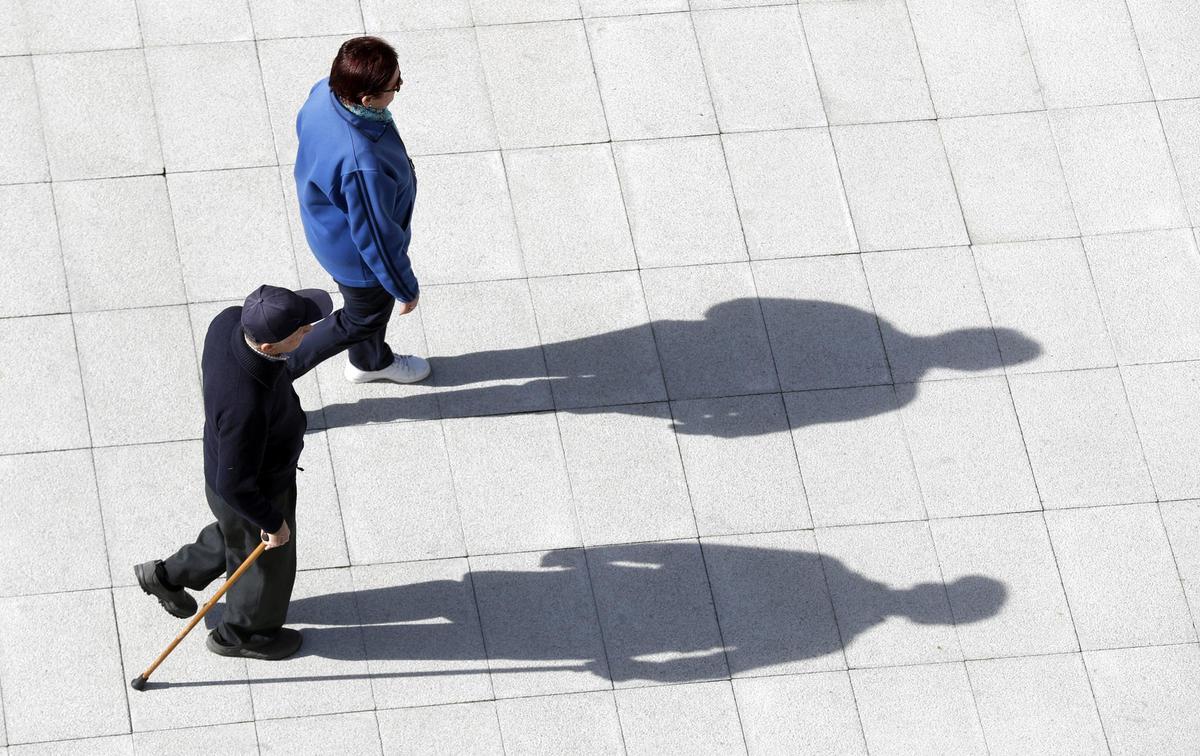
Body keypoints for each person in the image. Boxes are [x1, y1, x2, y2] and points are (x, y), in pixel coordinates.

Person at [135, 285, 333, 660]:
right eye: (301, 331)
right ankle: (244, 633)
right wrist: (274, 523)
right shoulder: (247, 406)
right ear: (267, 347)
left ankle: (166, 576)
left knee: (237, 535)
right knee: (266, 562)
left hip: (230, 464)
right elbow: (235, 485)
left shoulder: (228, 321)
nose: (309, 330)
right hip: (250, 485)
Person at [287, 35, 430, 384]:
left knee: (368, 314)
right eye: (395, 85)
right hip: (357, 258)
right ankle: (277, 369)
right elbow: (377, 239)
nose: (400, 86)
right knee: (362, 318)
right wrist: (404, 286)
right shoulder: (361, 163)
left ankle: (370, 361)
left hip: (328, 226)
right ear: (367, 99)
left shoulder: (325, 92)